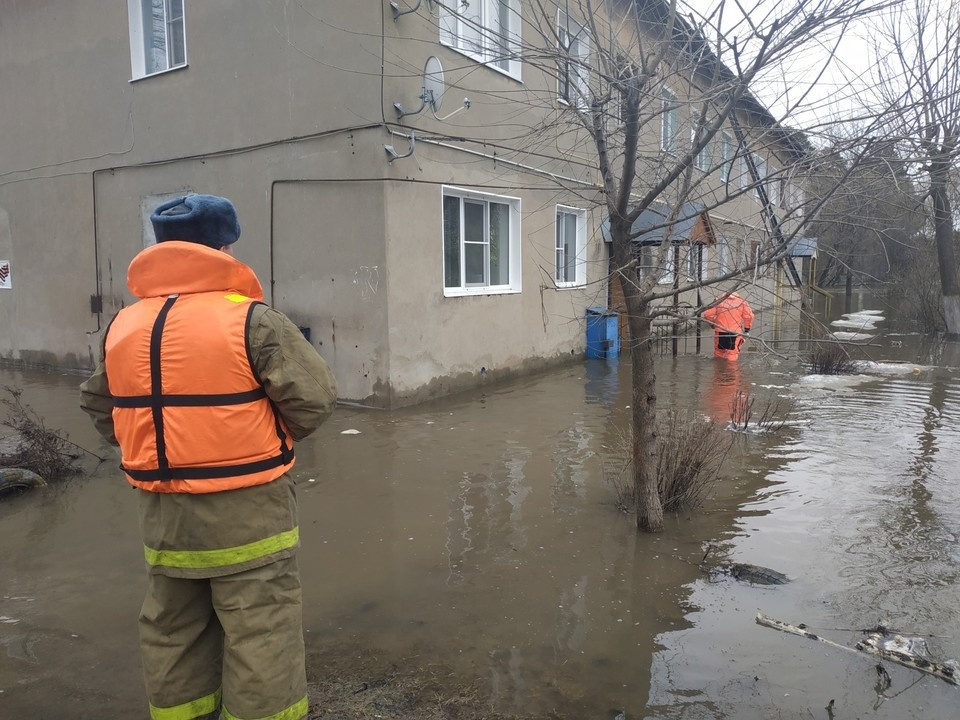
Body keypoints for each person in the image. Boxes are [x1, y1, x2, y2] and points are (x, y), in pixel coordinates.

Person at [79, 193, 338, 720]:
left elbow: (100, 405)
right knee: (260, 627)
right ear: (225, 246)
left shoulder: (123, 326)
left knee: (173, 628)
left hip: (162, 517)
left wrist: (157, 447)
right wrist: (260, 437)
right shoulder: (253, 321)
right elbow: (314, 400)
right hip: (250, 512)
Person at [702, 291, 755, 361]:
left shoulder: (718, 301)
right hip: (735, 333)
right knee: (732, 354)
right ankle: (731, 371)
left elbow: (707, 314)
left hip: (720, 332)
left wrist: (713, 323)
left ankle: (718, 370)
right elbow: (749, 317)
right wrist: (747, 330)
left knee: (719, 352)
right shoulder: (742, 302)